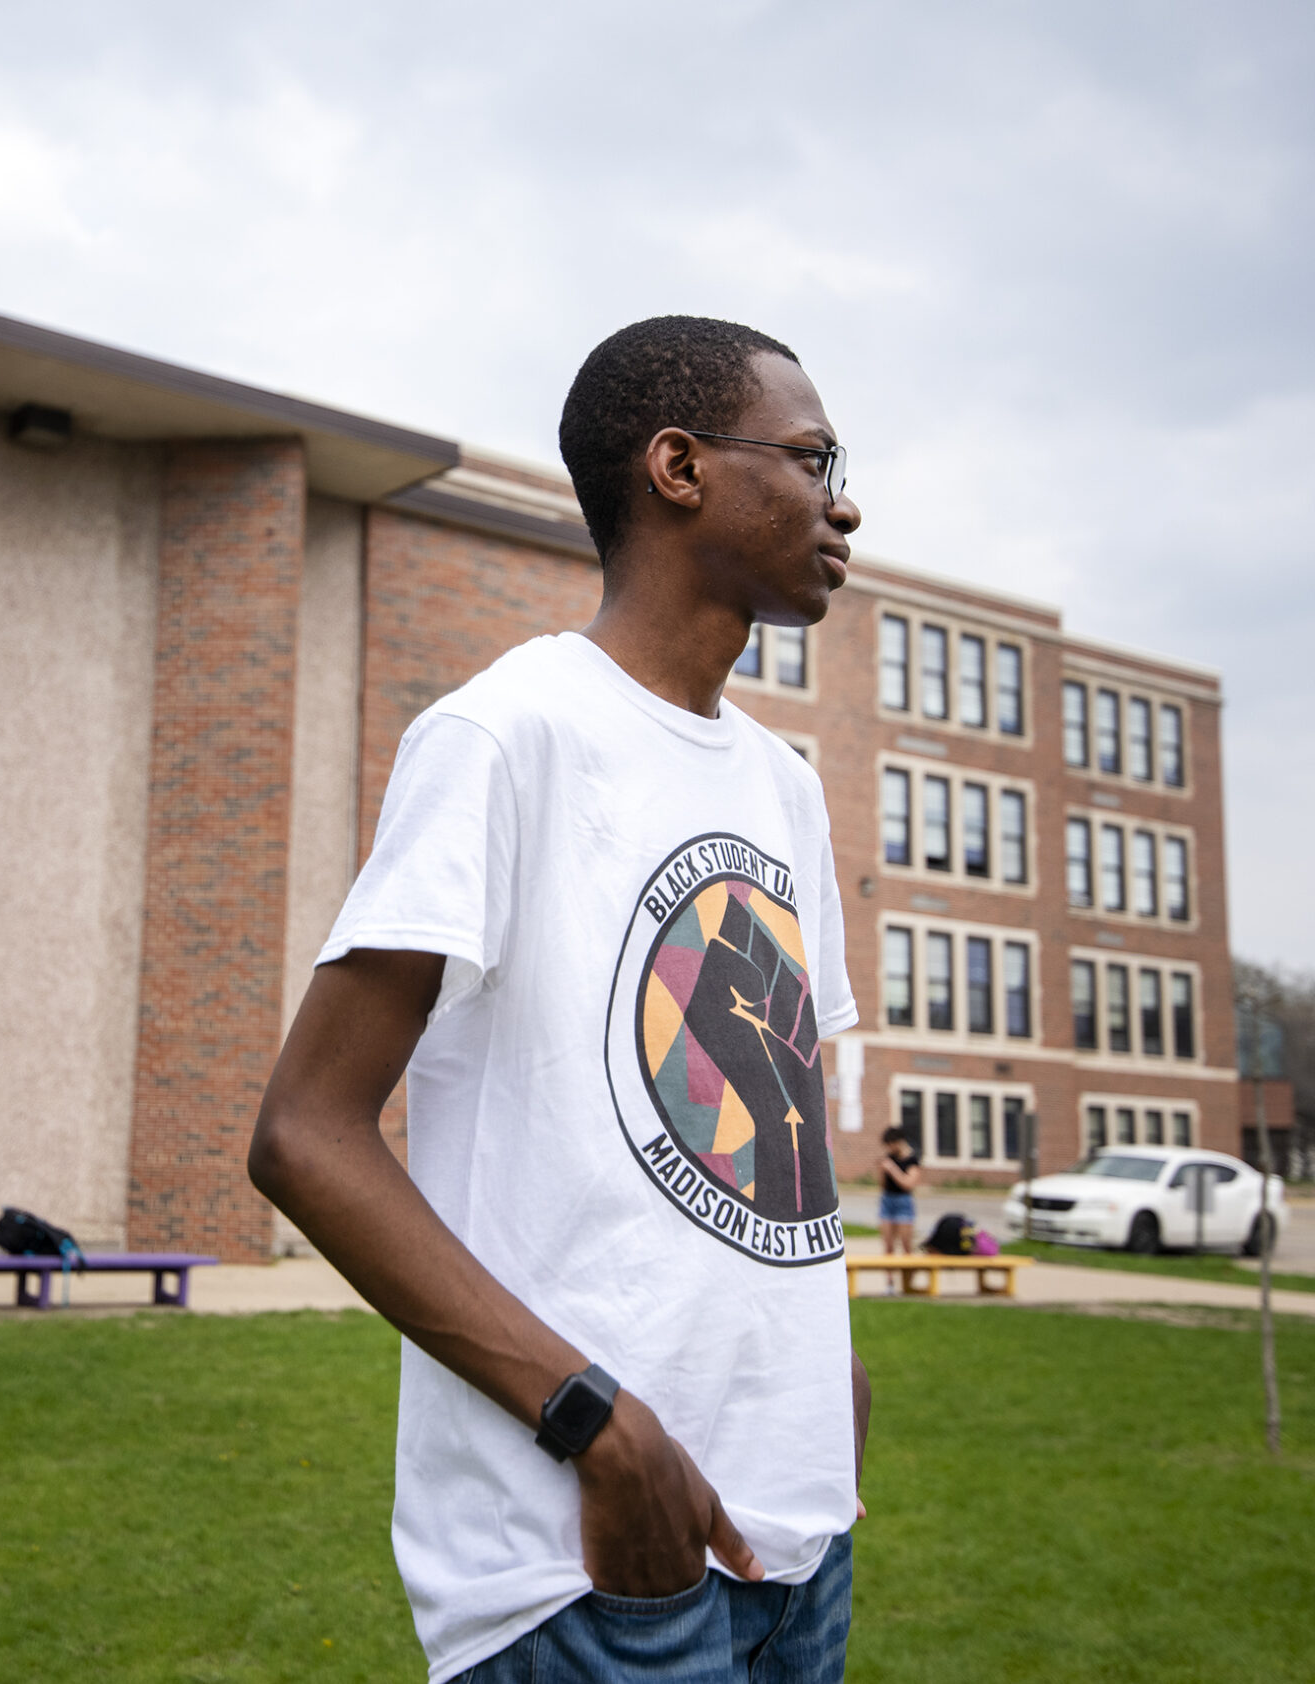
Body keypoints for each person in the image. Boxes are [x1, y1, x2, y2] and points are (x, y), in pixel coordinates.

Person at [249, 316, 869, 1684]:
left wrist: (832, 1373)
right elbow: (305, 1133)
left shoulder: (784, 788)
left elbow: (786, 1119)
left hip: (800, 1543)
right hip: (589, 1568)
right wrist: (593, 1421)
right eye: (816, 456)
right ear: (679, 466)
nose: (847, 500)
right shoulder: (503, 735)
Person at [878, 1129, 921, 1257]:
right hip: (887, 1200)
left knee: (906, 1244)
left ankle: (907, 1276)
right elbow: (882, 1185)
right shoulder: (888, 1158)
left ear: (898, 1142)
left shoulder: (912, 1161)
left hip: (903, 1201)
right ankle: (890, 1277)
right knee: (888, 1245)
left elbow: (908, 1184)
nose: (889, 1148)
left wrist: (892, 1169)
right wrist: (882, 1171)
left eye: (890, 1144)